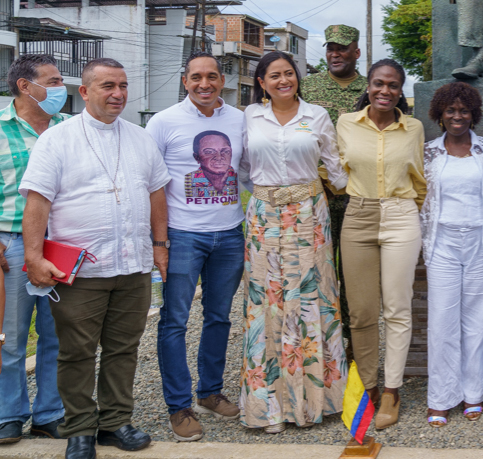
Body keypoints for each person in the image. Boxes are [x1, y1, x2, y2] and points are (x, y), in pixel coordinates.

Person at [20, 58, 171, 459]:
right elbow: (38, 200)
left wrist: (160, 246)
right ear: (84, 92)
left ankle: (116, 422)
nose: (118, 94)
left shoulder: (141, 138)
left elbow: (157, 193)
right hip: (82, 269)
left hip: (133, 265)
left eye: (122, 85)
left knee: (124, 349)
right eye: (107, 86)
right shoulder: (58, 138)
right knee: (76, 352)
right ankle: (81, 429)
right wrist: (33, 256)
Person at [238, 50, 349, 433]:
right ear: (261, 82)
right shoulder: (250, 117)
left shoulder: (316, 115)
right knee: (267, 302)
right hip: (264, 216)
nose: (284, 80)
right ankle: (268, 408)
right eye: (275, 75)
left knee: (310, 301)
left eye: (289, 73)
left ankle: (316, 402)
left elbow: (336, 168)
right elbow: (241, 167)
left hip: (308, 217)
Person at [145, 51, 246, 441]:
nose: (205, 84)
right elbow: (150, 182)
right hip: (183, 235)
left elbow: (250, 172)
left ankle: (209, 392)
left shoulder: (239, 120)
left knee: (219, 317)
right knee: (174, 320)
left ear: (222, 80)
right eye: (196, 77)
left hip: (230, 233)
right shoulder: (164, 122)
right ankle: (178, 406)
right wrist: (158, 240)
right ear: (185, 80)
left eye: (212, 77)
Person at [337, 59, 426, 430]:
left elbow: (419, 180)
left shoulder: (413, 128)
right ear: (369, 86)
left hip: (401, 215)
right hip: (357, 216)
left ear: (401, 90)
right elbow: (333, 169)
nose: (385, 91)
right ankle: (368, 385)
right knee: (360, 311)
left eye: (393, 85)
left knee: (397, 307)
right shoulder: (345, 123)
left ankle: (391, 389)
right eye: (378, 83)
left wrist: (403, 212)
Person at [421, 82, 483, 427]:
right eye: (451, 110)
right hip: (443, 243)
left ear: (474, 113)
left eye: (464, 110)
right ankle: (441, 398)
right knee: (442, 320)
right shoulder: (428, 153)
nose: (458, 116)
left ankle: (473, 393)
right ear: (440, 114)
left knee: (478, 321)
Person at [0, 55, 64, 444]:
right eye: (53, 81)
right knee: (11, 335)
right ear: (26, 86)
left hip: (59, 245)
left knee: (58, 335)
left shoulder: (67, 129)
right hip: (10, 244)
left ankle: (50, 413)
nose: (60, 88)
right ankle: (9, 414)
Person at [300, 24, 367, 344]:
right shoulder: (308, 88)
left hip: (357, 195)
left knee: (353, 275)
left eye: (342, 48)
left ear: (356, 52)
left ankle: (353, 350)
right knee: (316, 270)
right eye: (330, 48)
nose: (335, 54)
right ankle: (320, 344)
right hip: (317, 195)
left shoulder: (370, 89)